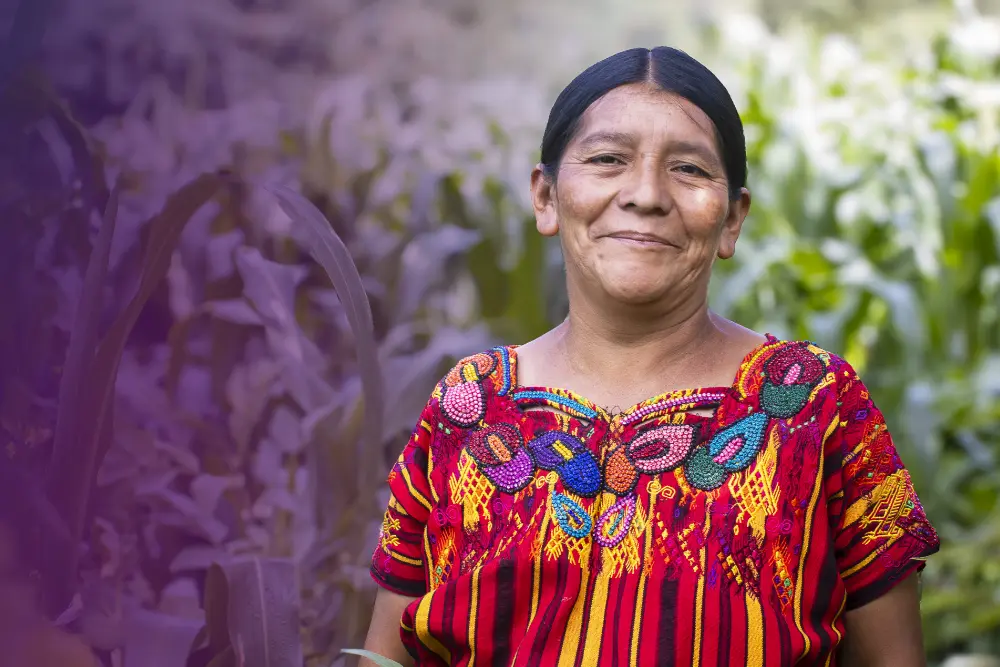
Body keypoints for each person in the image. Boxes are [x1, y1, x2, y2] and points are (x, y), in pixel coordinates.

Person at [361, 46, 940, 666]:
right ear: (546, 197)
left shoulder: (813, 404)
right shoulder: (469, 407)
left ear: (731, 221)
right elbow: (384, 656)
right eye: (608, 159)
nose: (646, 194)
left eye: (689, 170)